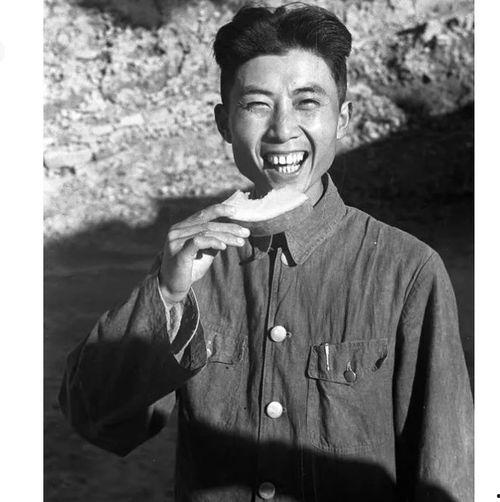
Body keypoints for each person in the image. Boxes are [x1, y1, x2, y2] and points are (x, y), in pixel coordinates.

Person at [59, 3, 473, 501]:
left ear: (342, 118)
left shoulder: (408, 271)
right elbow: (97, 419)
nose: (282, 130)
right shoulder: (194, 263)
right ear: (224, 123)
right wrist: (166, 295)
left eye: (307, 102)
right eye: (257, 105)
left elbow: (444, 473)